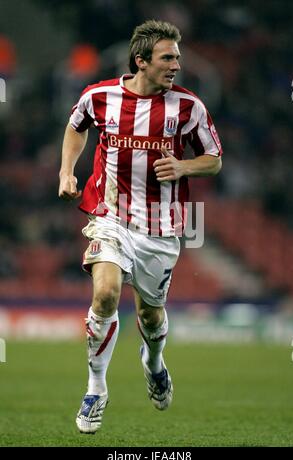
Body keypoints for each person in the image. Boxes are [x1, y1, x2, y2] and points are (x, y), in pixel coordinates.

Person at [58, 19, 222, 434]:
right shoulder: (99, 96)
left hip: (160, 228)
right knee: (107, 293)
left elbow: (214, 159)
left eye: (178, 58)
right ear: (141, 60)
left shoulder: (189, 108)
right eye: (168, 58)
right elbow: (76, 126)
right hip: (110, 216)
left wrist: (184, 165)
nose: (177, 66)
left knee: (150, 316)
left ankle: (154, 362)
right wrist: (66, 172)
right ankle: (96, 388)